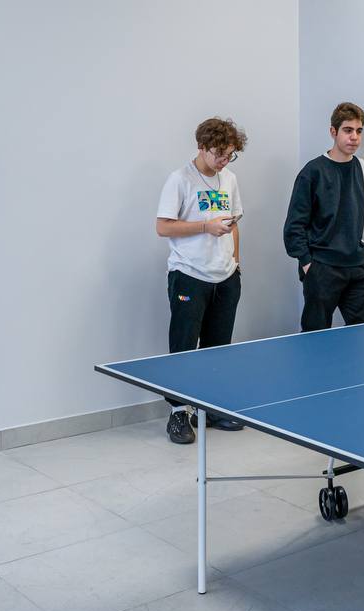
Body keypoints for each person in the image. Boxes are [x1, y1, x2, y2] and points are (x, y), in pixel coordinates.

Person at [155, 117, 247, 444]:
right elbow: (163, 226)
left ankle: (209, 409)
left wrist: (235, 264)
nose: (224, 160)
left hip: (225, 276)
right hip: (189, 275)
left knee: (218, 348)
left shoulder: (229, 179)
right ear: (202, 147)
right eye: (219, 154)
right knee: (183, 348)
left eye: (230, 154)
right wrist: (205, 227)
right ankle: (179, 412)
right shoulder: (179, 180)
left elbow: (234, 224)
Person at [283, 102, 364, 332]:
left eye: (359, 131)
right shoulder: (312, 172)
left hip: (359, 268)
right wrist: (308, 264)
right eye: (348, 130)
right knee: (315, 337)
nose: (354, 137)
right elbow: (294, 226)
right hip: (322, 269)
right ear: (333, 132)